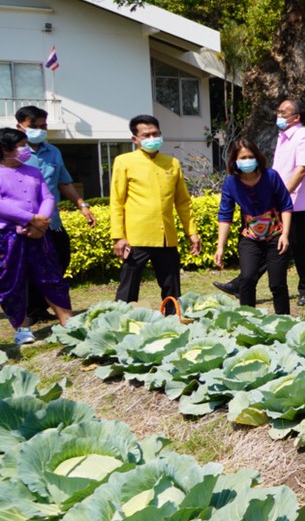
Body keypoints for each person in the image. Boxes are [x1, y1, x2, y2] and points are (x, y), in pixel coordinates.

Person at [110, 115, 200, 314]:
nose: (152, 138)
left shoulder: (172, 163)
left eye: (155, 133)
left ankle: (173, 321)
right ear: (135, 139)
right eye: (146, 135)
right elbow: (116, 201)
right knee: (128, 288)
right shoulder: (124, 161)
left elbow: (183, 202)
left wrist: (191, 232)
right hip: (135, 238)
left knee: (171, 288)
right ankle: (119, 325)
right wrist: (119, 237)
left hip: (166, 237)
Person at [15, 105, 93, 324]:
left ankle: (40, 307)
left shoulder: (54, 152)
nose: (40, 130)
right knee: (27, 268)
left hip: (52, 222)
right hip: (25, 224)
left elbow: (64, 182)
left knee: (60, 259)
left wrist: (82, 204)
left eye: (43, 126)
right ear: (20, 126)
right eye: (34, 126)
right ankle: (31, 312)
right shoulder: (14, 155)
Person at [0, 128, 72, 344]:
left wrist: (40, 221)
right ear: (5, 150)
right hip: (8, 236)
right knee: (12, 281)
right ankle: (22, 328)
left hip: (39, 234)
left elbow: (47, 196)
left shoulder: (33, 171)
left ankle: (68, 322)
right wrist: (30, 218)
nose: (26, 149)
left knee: (51, 276)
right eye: (21, 145)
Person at [212, 138, 293, 314]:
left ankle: (284, 321)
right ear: (234, 161)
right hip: (250, 238)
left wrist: (285, 234)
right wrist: (220, 247)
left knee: (277, 283)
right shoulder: (231, 183)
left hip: (276, 235)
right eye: (242, 158)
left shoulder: (271, 176)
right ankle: (247, 321)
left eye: (250, 156)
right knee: (247, 278)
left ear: (257, 157)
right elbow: (225, 215)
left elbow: (286, 205)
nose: (247, 161)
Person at [272, 98, 305, 306]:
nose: (279, 115)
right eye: (279, 111)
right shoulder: (283, 137)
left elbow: (301, 170)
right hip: (284, 200)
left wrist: (282, 195)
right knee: (273, 241)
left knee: (302, 246)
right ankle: (244, 281)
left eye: (284, 112)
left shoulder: (304, 137)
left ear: (296, 117)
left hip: (300, 203)